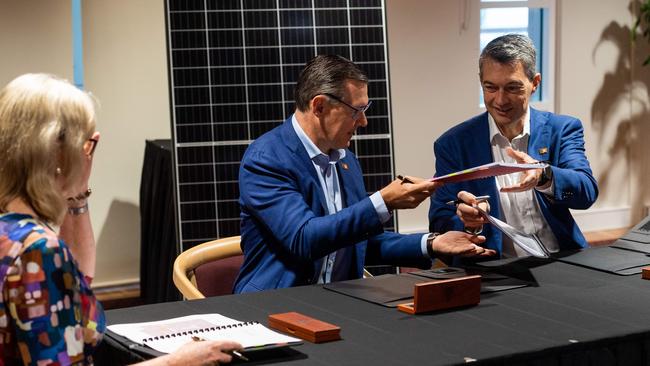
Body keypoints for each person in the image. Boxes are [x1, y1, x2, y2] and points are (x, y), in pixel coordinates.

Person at [0, 73, 242, 365]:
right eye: (88, 144)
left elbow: (80, 281)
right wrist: (178, 361)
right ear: (61, 155)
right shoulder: (38, 251)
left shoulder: (14, 235)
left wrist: (75, 190)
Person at [234, 55, 495, 293]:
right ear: (319, 106)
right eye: (356, 111)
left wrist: (432, 244)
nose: (363, 122)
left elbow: (357, 242)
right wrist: (384, 201)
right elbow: (304, 238)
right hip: (276, 304)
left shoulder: (346, 161)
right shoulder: (266, 159)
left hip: (339, 302)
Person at [428, 34, 599, 257]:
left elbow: (586, 192)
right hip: (492, 268)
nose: (500, 100)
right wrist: (468, 222)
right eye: (490, 87)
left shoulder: (562, 129)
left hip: (561, 259)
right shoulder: (454, 144)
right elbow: (440, 220)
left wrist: (544, 175)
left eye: (512, 88)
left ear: (535, 83)